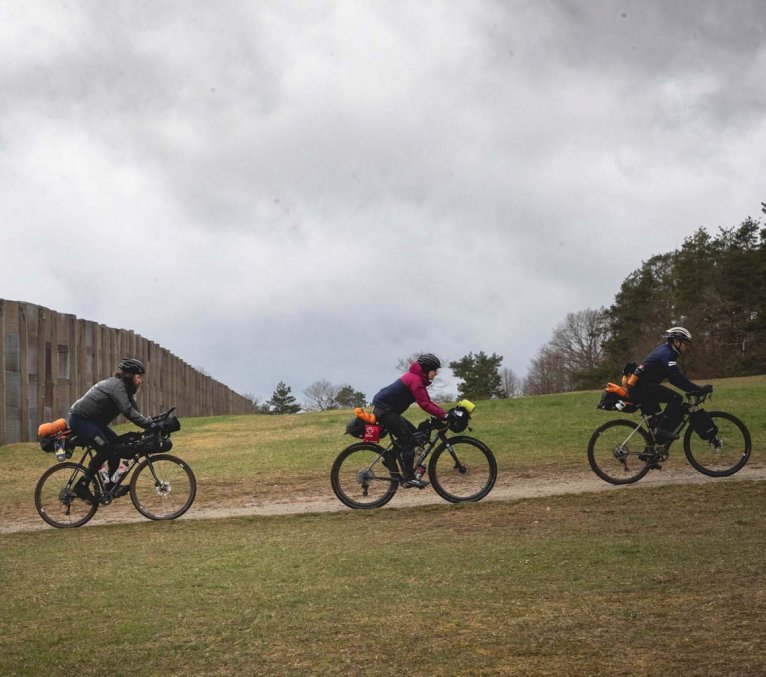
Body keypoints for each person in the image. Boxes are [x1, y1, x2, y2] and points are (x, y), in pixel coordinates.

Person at [68, 358, 158, 504]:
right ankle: (81, 486)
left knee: (115, 449)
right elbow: (127, 411)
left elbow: (135, 411)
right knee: (106, 450)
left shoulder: (125, 390)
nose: (141, 381)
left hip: (93, 422)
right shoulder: (117, 387)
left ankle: (110, 486)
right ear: (129, 376)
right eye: (139, 377)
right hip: (80, 420)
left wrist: (150, 423)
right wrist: (148, 425)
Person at [371, 353, 448, 488]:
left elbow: (428, 401)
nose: (436, 373)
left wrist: (444, 414)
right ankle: (408, 478)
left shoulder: (417, 379)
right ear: (426, 369)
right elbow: (424, 404)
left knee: (413, 435)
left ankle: (390, 458)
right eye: (434, 370)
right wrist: (444, 416)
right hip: (385, 410)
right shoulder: (416, 380)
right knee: (408, 439)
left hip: (388, 410)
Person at [627, 327, 712, 443]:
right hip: (641, 388)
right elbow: (676, 376)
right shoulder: (667, 354)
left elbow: (673, 379)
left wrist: (693, 389)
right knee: (676, 398)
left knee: (655, 422)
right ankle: (661, 430)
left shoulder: (667, 351)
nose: (686, 347)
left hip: (640, 387)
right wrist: (698, 389)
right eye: (685, 344)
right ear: (676, 341)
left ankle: (650, 457)